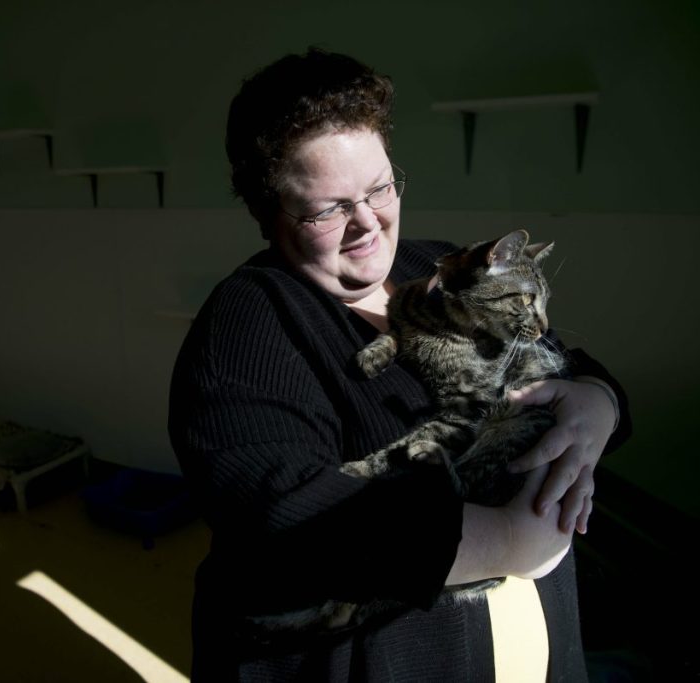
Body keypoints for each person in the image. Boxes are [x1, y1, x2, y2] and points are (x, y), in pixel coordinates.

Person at [168, 48, 630, 682]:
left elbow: (560, 362)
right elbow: (281, 519)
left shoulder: (435, 265)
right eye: (328, 208)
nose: (368, 224)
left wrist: (599, 403)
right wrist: (509, 543)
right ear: (269, 215)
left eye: (380, 188)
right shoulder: (249, 320)